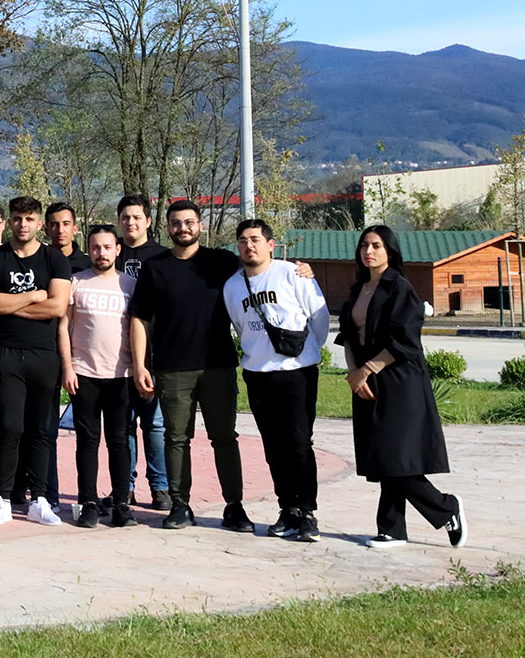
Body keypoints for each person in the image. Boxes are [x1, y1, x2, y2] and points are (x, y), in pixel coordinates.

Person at [339, 225, 467, 549]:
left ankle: (446, 507)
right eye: (365, 245)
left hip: (399, 380)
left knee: (395, 456)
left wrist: (367, 370)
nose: (369, 251)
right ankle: (392, 529)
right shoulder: (357, 290)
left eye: (377, 246)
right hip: (367, 380)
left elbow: (405, 342)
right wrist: (355, 373)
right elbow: (348, 337)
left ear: (390, 251)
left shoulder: (401, 288)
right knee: (384, 458)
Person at [129, 200, 252, 532]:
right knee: (176, 438)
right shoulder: (156, 267)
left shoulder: (223, 262)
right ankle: (180, 505)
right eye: (176, 223)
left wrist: (300, 270)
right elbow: (139, 318)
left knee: (224, 437)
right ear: (167, 227)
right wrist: (141, 365)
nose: (183, 228)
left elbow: (260, 269)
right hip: (172, 368)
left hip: (218, 366)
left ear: (200, 226)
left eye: (189, 222)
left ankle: (234, 506)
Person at [225, 218, 330, 542]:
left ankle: (306, 511)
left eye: (255, 239)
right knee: (273, 446)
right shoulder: (232, 286)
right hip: (258, 373)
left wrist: (308, 351)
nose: (249, 245)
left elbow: (319, 316)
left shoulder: (291, 273)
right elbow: (240, 328)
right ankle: (287, 509)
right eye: (242, 240)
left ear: (270, 244)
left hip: (296, 371)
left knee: (299, 443)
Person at [0, 196, 71, 527]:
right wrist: (32, 296)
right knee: (10, 427)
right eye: (17, 218)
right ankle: (2, 497)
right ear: (10, 222)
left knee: (41, 430)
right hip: (5, 355)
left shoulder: (54, 260)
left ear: (39, 223)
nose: (23, 224)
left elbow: (58, 308)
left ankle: (39, 499)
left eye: (29, 219)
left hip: (45, 355)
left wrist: (10, 304)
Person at [63, 225, 137, 528]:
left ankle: (121, 503)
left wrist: (141, 367)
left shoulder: (130, 284)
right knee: (87, 441)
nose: (101, 253)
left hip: (121, 374)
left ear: (117, 249)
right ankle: (88, 501)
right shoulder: (76, 282)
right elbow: (63, 328)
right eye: (95, 247)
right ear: (89, 249)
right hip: (84, 373)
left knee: (119, 440)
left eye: (107, 247)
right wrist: (67, 366)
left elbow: (140, 329)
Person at [115, 195, 172, 511]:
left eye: (137, 217)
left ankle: (161, 487)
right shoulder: (110, 252)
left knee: (154, 425)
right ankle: (125, 487)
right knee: (122, 426)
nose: (131, 222)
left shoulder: (163, 257)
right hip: (114, 356)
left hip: (152, 355)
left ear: (148, 221)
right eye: (125, 217)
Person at [46, 203, 88, 275]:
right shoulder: (38, 263)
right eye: (54, 225)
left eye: (66, 224)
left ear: (75, 229)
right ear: (47, 231)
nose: (60, 230)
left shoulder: (88, 266)